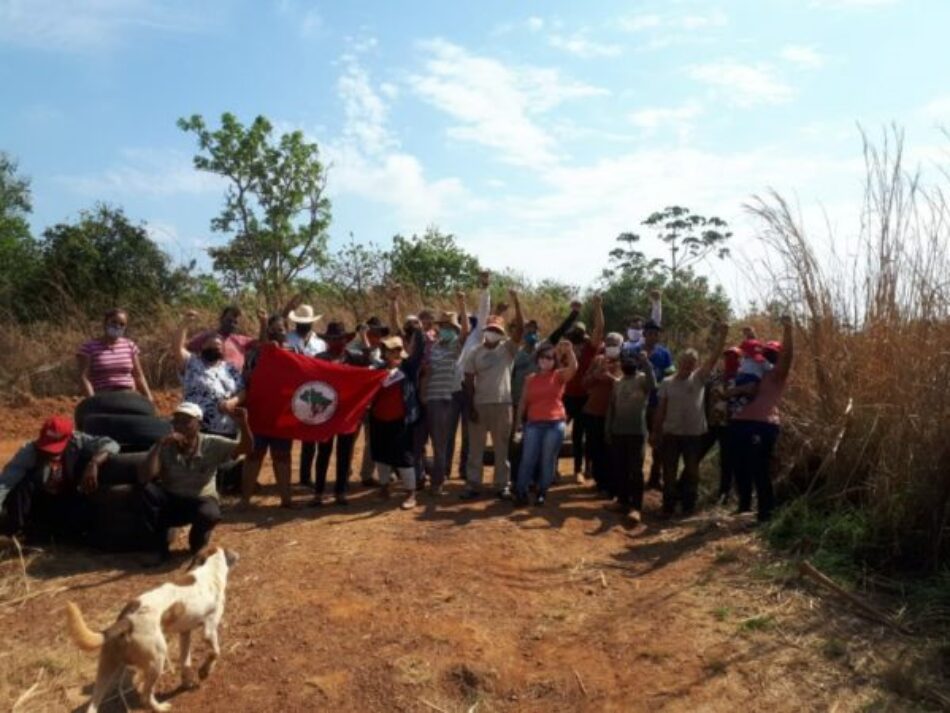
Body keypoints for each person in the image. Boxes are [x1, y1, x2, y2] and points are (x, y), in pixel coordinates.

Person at [140, 402, 252, 563]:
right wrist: (158, 446)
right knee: (147, 491)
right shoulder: (165, 444)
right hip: (172, 499)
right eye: (176, 421)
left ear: (198, 424)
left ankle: (197, 541)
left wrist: (243, 424)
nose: (179, 426)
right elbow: (145, 476)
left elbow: (246, 448)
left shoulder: (211, 443)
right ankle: (158, 548)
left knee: (209, 514)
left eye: (186, 421)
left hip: (200, 500)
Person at [651, 323, 728, 516]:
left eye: (691, 362)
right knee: (669, 472)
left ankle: (688, 507)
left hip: (694, 435)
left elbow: (714, 357)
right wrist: (655, 432)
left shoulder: (699, 378)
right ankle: (667, 507)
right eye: (685, 361)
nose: (687, 365)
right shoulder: (667, 383)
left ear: (696, 364)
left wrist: (723, 335)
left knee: (692, 472)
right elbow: (660, 410)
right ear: (679, 361)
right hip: (671, 434)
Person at [0, 416, 119, 538]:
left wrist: (94, 464)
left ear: (70, 437)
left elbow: (111, 444)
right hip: (38, 502)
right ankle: (17, 531)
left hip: (66, 498)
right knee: (22, 485)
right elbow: (4, 484)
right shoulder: (29, 451)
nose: (51, 453)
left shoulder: (78, 440)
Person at [460, 290, 524, 500]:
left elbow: (520, 330)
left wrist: (516, 302)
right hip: (479, 404)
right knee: (475, 448)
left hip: (502, 404)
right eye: (490, 329)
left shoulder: (508, 350)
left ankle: (501, 484)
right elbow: (468, 382)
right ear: (485, 330)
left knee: (501, 448)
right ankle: (473, 484)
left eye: (497, 330)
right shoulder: (474, 353)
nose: (492, 332)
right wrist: (470, 407)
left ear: (501, 332)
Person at [730, 316, 794, 522]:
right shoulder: (757, 369)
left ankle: (765, 513)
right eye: (767, 353)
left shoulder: (777, 375)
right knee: (740, 465)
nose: (770, 356)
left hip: (763, 425)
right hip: (741, 422)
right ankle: (744, 507)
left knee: (759, 468)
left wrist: (788, 329)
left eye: (773, 354)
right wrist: (750, 335)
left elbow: (787, 357)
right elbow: (753, 350)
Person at [308, 321, 370, 506]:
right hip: (324, 412)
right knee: (323, 453)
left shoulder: (352, 357)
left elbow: (369, 360)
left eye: (340, 339)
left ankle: (340, 492)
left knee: (344, 452)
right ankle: (318, 493)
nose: (337, 342)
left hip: (347, 412)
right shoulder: (319, 358)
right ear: (327, 340)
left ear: (346, 340)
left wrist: (364, 336)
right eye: (333, 339)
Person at [512, 340, 578, 506]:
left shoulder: (558, 376)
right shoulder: (530, 379)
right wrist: (518, 424)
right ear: (537, 359)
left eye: (549, 358)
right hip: (533, 423)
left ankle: (542, 491)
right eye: (542, 357)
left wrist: (569, 352)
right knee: (528, 458)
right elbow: (523, 403)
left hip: (555, 424)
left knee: (547, 459)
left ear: (554, 361)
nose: (545, 360)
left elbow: (574, 368)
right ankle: (521, 491)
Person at [240, 312, 295, 509]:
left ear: (287, 331)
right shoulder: (254, 352)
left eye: (281, 330)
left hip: (282, 412)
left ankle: (286, 499)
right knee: (254, 454)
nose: (278, 334)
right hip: (259, 409)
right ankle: (245, 499)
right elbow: (247, 376)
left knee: (282, 455)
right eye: (273, 330)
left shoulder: (293, 352)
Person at [369, 330, 425, 509]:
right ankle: (384, 488)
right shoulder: (377, 370)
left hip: (400, 421)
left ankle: (411, 493)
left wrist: (417, 330)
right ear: (384, 353)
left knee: (404, 458)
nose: (392, 353)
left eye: (395, 350)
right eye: (388, 350)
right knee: (381, 456)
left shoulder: (407, 368)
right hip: (379, 420)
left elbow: (419, 349)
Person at [420, 308, 468, 496]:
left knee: (440, 444)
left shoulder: (456, 347)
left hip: (442, 400)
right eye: (443, 326)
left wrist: (461, 305)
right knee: (419, 444)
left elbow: (465, 333)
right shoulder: (434, 346)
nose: (446, 330)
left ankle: (437, 483)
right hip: (425, 399)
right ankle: (421, 477)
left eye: (450, 327)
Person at [605, 351, 656, 524]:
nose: (627, 363)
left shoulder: (642, 379)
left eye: (631, 360)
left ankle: (636, 508)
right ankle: (622, 501)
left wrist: (646, 362)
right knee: (620, 469)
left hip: (636, 433)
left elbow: (653, 384)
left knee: (636, 471)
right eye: (624, 360)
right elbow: (611, 407)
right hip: (618, 431)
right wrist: (608, 429)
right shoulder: (618, 383)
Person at [175, 311, 244, 438]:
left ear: (223, 350)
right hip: (195, 428)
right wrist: (184, 323)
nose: (214, 346)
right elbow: (177, 347)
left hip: (225, 429)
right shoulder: (192, 362)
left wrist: (233, 402)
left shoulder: (230, 369)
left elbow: (243, 391)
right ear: (201, 348)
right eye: (210, 344)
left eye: (218, 345)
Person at [562, 296, 605, 484]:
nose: (577, 335)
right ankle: (552, 469)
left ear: (584, 334)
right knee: (556, 433)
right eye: (574, 332)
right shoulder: (564, 348)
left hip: (583, 397)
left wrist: (597, 306)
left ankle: (578, 470)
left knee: (580, 434)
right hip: (563, 396)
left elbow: (599, 328)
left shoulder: (590, 348)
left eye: (580, 332)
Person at [77, 308, 153, 402]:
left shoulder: (130, 345)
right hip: (103, 396)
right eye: (113, 322)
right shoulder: (88, 348)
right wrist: (93, 401)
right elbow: (84, 377)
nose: (117, 326)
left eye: (122, 324)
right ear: (105, 323)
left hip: (129, 395)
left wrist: (149, 398)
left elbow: (138, 375)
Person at [582, 332, 624, 496]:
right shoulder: (598, 360)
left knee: (610, 451)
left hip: (613, 415)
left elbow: (626, 387)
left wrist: (611, 378)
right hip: (593, 411)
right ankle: (600, 483)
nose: (611, 346)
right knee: (595, 449)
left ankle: (610, 486)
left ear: (621, 345)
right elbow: (584, 383)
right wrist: (595, 376)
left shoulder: (625, 363)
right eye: (609, 343)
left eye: (615, 343)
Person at [636, 319, 675, 490]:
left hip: (657, 404)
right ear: (644, 334)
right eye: (650, 333)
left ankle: (654, 476)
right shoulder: (634, 351)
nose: (654, 336)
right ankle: (635, 476)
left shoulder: (664, 353)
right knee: (638, 441)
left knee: (658, 440)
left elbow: (670, 375)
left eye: (656, 333)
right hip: (638, 404)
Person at [355, 315, 391, 486]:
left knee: (373, 441)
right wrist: (363, 341)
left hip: (374, 403)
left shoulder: (382, 350)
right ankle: (344, 472)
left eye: (378, 334)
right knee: (349, 439)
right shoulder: (353, 349)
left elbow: (380, 366)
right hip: (355, 404)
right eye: (372, 334)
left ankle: (367, 475)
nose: (376, 337)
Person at [702, 346, 741, 504]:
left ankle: (724, 494)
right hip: (711, 424)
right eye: (727, 356)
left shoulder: (742, 378)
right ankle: (682, 489)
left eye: (734, 357)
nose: (730, 359)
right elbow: (705, 397)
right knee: (696, 454)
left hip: (730, 427)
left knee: (727, 461)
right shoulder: (716, 378)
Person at [187, 305, 254, 371]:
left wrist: (263, 323)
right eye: (229, 320)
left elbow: (260, 344)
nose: (232, 324)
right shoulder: (208, 336)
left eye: (235, 322)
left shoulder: (240, 340)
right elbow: (185, 349)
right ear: (221, 319)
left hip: (236, 380)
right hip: (213, 378)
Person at [622, 289, 663, 355]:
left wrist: (657, 301)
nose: (635, 331)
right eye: (633, 328)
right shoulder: (623, 345)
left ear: (643, 331)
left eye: (638, 328)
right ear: (628, 329)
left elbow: (655, 320)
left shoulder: (643, 343)